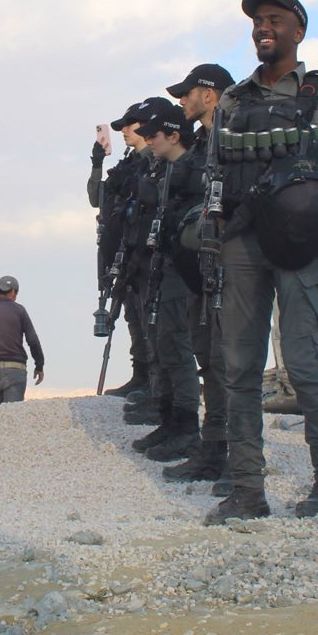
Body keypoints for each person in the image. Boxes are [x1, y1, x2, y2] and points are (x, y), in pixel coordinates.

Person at [210, 0, 318, 525]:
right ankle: (247, 490)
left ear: (297, 32)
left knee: (306, 367)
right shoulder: (233, 101)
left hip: (302, 244)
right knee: (239, 367)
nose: (263, 27)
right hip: (242, 242)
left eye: (274, 20)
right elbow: (215, 175)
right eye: (258, 21)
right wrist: (212, 232)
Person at [162, 64, 234, 485]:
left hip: (231, 263)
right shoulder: (205, 140)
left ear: (208, 94)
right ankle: (213, 451)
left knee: (227, 363)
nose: (182, 101)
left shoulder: (231, 132)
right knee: (208, 358)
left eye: (187, 93)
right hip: (202, 266)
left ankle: (235, 460)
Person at [128, 101, 205, 462]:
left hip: (184, 270)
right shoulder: (169, 170)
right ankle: (171, 421)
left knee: (177, 345)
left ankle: (187, 428)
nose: (149, 142)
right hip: (164, 265)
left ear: (174, 135)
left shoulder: (193, 169)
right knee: (165, 344)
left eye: (153, 135)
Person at [89, 100, 160, 399]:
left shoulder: (155, 160)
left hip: (144, 252)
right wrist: (97, 163)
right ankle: (141, 375)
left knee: (147, 314)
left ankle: (155, 380)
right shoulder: (127, 165)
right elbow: (97, 198)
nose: (123, 132)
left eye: (129, 125)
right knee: (132, 313)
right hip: (121, 253)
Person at [0, 275, 45, 405]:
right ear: (12, 291)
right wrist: (39, 365)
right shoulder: (19, 310)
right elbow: (32, 340)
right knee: (11, 417)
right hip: (15, 370)